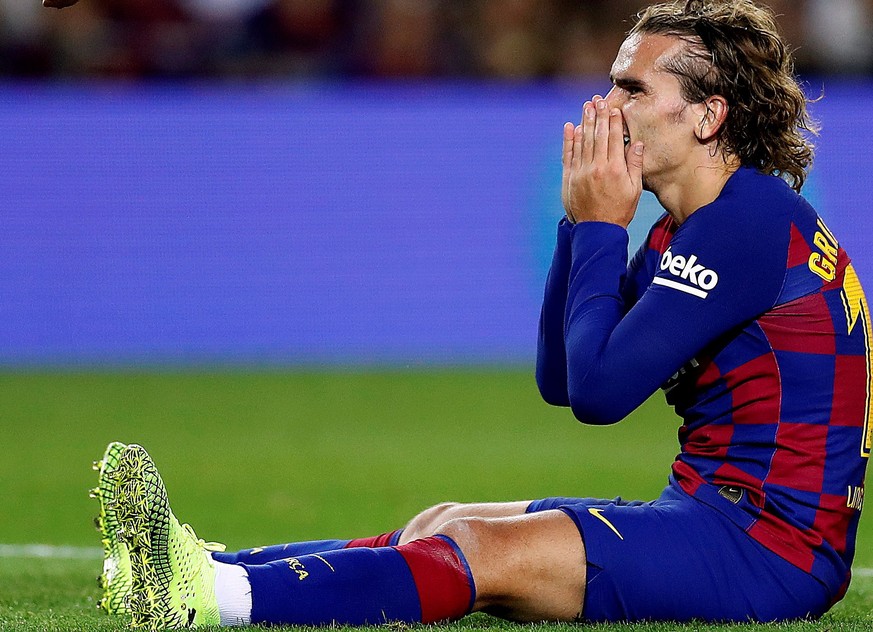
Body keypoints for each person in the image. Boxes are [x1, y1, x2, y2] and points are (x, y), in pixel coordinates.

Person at [90, 0, 871, 627]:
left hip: (766, 551)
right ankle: (207, 570)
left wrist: (602, 226)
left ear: (707, 117)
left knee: (478, 549)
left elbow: (599, 397)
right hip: (721, 520)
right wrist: (578, 226)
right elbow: (561, 378)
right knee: (444, 520)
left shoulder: (747, 226)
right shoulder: (697, 227)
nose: (605, 104)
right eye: (610, 82)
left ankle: (212, 601)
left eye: (633, 88)